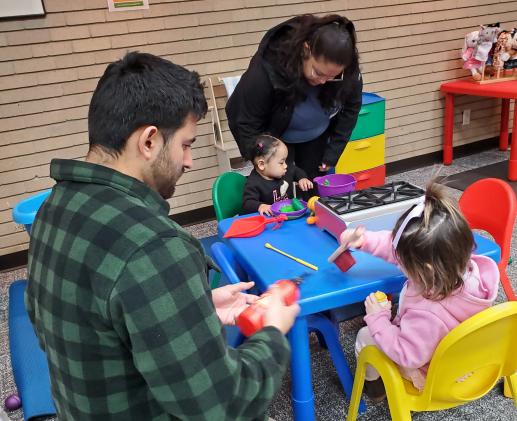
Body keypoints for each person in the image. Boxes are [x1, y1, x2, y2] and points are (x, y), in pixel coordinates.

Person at [25, 52, 300, 420]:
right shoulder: (153, 247)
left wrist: (191, 308)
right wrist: (272, 332)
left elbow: (73, 324)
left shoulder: (55, 207)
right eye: (186, 144)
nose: (188, 161)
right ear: (150, 140)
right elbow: (222, 404)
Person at [338, 182, 499, 401]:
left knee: (365, 336)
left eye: (402, 261)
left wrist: (378, 318)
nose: (397, 259)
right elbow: (403, 248)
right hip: (462, 357)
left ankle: (376, 390)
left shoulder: (426, 313)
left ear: (424, 269)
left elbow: (406, 353)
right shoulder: (465, 269)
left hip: (430, 370)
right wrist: (364, 240)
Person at [226, 14, 363, 185]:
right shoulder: (266, 70)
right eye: (318, 73)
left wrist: (334, 150)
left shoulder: (348, 70)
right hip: (277, 138)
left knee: (313, 188)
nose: (322, 81)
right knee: (279, 192)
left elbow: (351, 108)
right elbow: (244, 120)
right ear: (305, 50)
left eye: (332, 76)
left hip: (317, 136)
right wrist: (263, 159)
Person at [242, 134, 313, 215]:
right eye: (281, 162)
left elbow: (295, 170)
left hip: (289, 214)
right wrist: (260, 206)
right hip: (270, 220)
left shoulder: (284, 170)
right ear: (262, 164)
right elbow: (247, 203)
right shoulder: (253, 183)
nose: (285, 166)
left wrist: (302, 178)